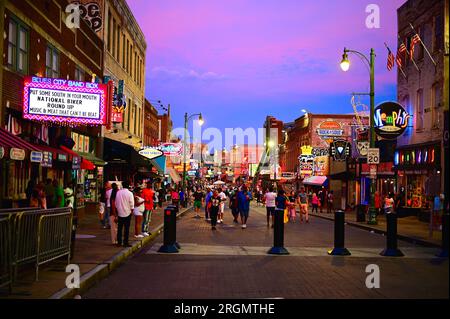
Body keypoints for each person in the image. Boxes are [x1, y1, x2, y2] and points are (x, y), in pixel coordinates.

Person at [115, 181, 134, 247]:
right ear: (128, 185)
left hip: (120, 212)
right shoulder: (130, 193)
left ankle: (119, 242)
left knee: (119, 228)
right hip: (127, 212)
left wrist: (117, 211)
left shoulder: (118, 192)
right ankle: (125, 242)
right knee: (126, 229)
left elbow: (116, 202)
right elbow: (132, 204)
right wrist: (132, 211)